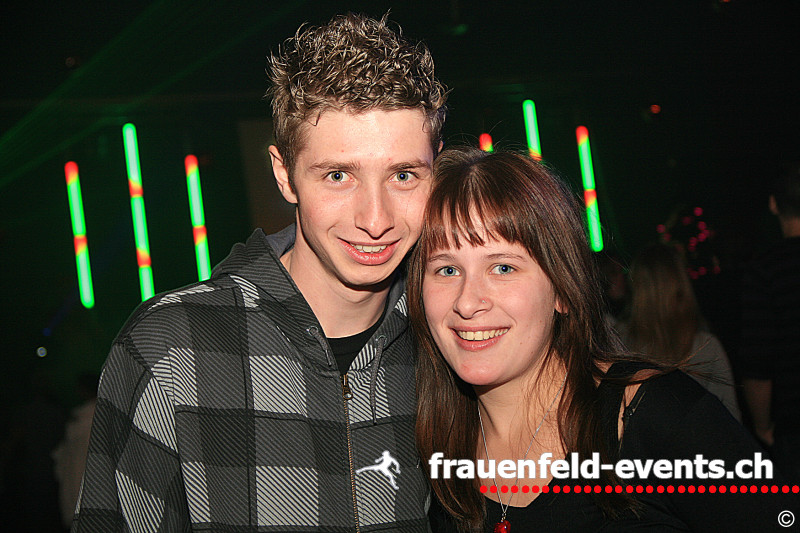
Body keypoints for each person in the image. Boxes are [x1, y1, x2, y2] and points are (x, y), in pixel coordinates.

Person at [72, 13, 446, 531]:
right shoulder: (172, 346)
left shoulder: (449, 338)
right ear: (284, 174)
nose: (375, 219)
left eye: (403, 175)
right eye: (338, 175)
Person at [407, 147, 797, 532]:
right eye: (446, 270)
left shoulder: (655, 416)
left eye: (503, 267)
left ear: (562, 289)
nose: (468, 302)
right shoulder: (428, 446)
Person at [620, 243, 740, 420]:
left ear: (637, 288)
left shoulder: (618, 346)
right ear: (682, 285)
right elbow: (730, 419)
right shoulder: (705, 346)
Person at [740, 163, 800, 482]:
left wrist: (762, 426)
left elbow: (758, 359)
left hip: (792, 424)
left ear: (774, 204)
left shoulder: (765, 271)